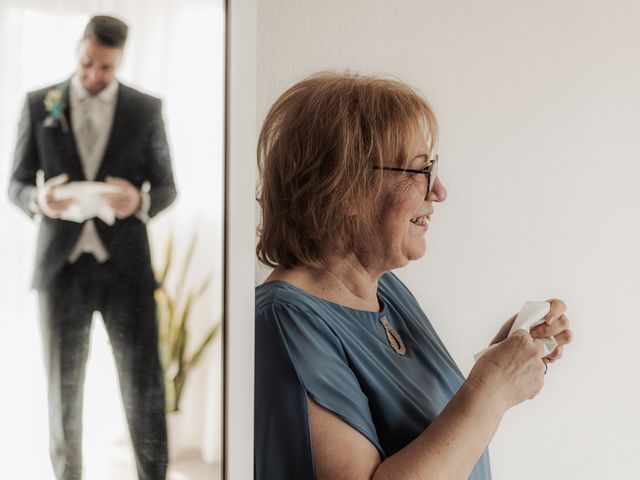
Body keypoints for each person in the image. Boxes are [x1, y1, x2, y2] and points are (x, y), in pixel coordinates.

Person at [254, 72, 573, 479]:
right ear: (345, 188)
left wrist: (505, 358)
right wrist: (491, 389)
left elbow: (434, 442)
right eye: (420, 170)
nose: (437, 190)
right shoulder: (284, 322)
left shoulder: (385, 290)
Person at [8, 15, 176, 480]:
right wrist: (39, 199)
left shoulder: (145, 109)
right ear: (79, 48)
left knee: (144, 388)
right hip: (60, 272)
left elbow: (167, 188)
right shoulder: (39, 102)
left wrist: (138, 200)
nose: (93, 75)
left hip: (126, 270)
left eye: (105, 68)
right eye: (87, 63)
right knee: (64, 394)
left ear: (120, 59)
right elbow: (16, 185)